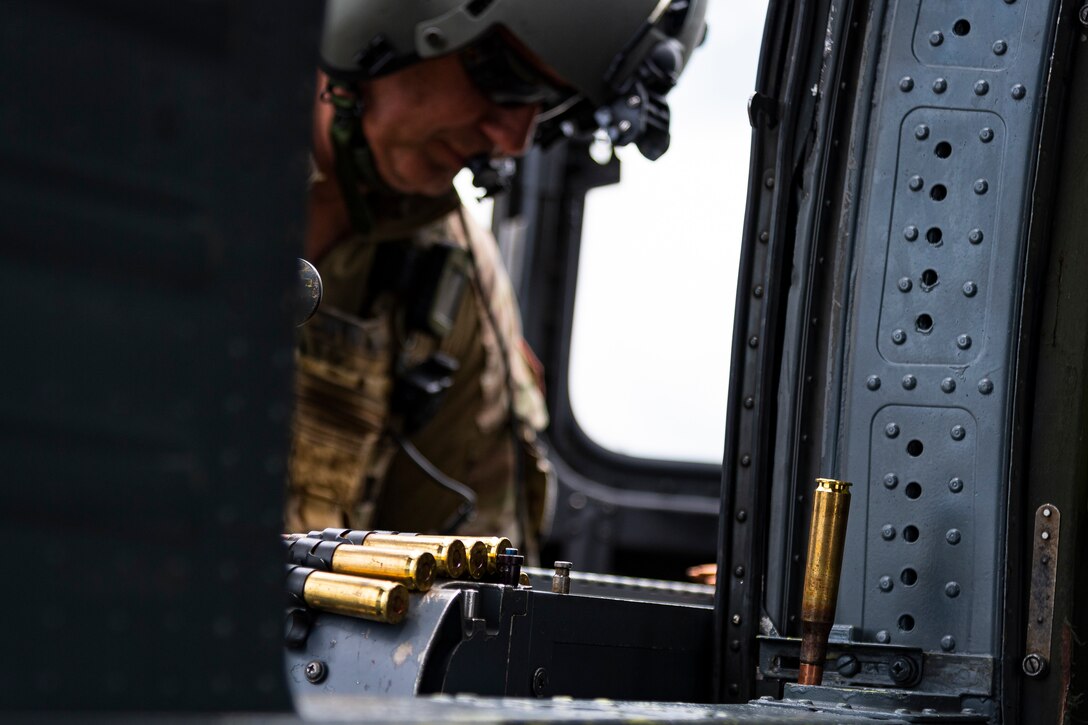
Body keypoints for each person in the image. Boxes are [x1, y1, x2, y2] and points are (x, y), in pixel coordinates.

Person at [285, 0, 708, 556]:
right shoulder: (159, 148)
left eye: (548, 104)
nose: (513, 139)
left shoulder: (452, 284)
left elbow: (463, 585)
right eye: (508, 80)